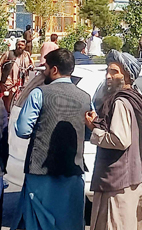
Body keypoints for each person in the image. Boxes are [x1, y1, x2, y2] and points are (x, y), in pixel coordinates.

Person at [12, 48, 92, 230]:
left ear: (54, 69)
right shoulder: (85, 97)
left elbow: (22, 130)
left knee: (38, 222)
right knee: (69, 222)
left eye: (46, 67)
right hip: (73, 171)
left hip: (40, 172)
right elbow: (88, 131)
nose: (44, 72)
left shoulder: (39, 94)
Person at [85, 50, 142, 230]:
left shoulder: (121, 102)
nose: (108, 76)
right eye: (108, 71)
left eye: (114, 72)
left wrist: (94, 129)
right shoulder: (135, 98)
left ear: (127, 76)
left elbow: (120, 140)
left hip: (118, 182)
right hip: (134, 176)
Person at [0, 39, 33, 112]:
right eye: (19, 45)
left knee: (17, 97)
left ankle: (11, 112)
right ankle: (6, 113)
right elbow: (0, 64)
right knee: (7, 96)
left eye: (22, 45)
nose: (20, 47)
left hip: (19, 79)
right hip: (8, 79)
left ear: (24, 46)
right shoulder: (8, 53)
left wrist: (31, 67)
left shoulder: (26, 55)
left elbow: (31, 64)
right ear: (16, 45)